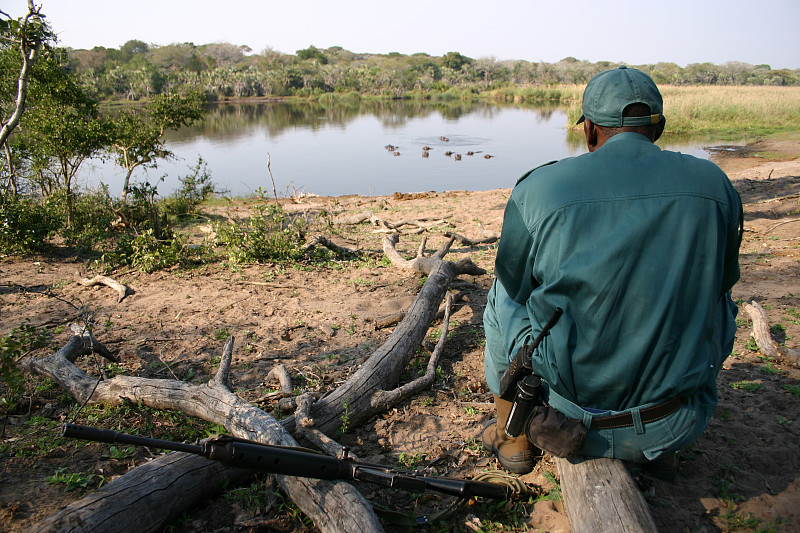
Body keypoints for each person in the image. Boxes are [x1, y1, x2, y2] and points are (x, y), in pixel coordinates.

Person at [481, 66, 742, 476]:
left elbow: (516, 285)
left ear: (588, 131)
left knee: (502, 295)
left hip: (572, 418)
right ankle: (658, 430)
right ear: (658, 128)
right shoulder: (714, 183)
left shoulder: (541, 187)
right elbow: (722, 288)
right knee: (719, 297)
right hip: (677, 421)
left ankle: (513, 434)